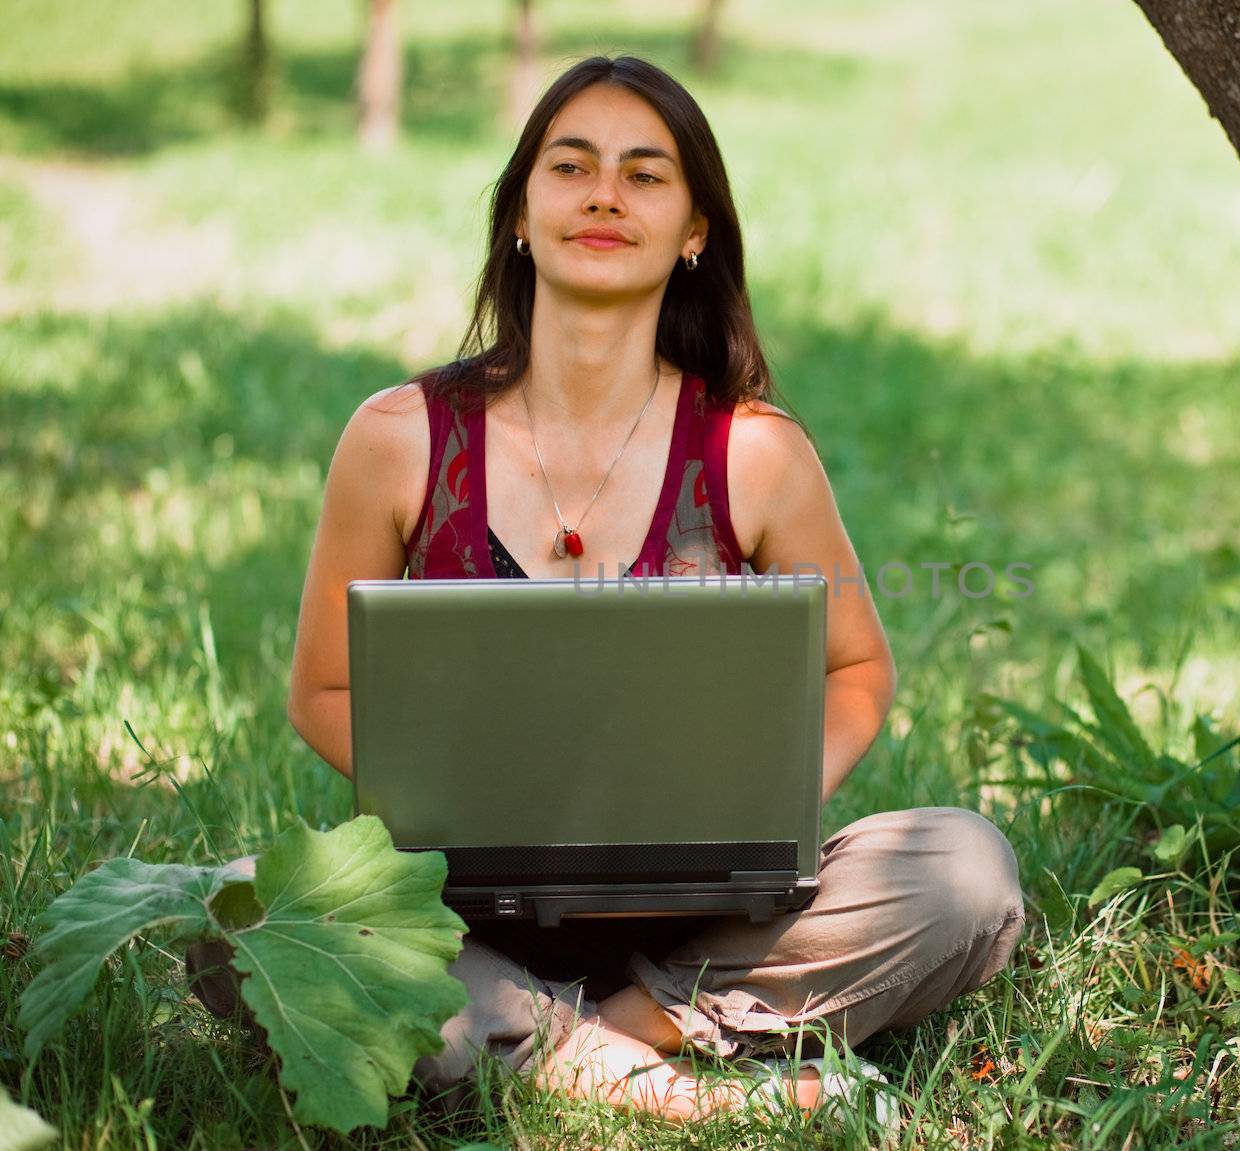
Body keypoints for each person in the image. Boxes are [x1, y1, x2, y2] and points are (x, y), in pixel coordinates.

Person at [191, 55, 1025, 1125]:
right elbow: (322, 689)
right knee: (240, 913)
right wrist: (465, 799)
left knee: (963, 869)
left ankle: (573, 1038)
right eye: (571, 166)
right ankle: (703, 1097)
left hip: (700, 912)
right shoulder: (396, 437)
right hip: (452, 909)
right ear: (521, 217)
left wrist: (761, 804)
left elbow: (858, 669)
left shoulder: (754, 451)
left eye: (644, 175)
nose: (602, 195)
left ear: (693, 232)